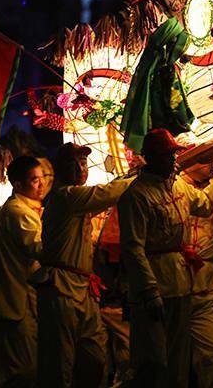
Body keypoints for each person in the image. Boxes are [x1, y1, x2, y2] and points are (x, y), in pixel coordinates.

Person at [118, 129, 213, 388]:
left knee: (179, 359)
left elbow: (206, 203)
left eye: (173, 154)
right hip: (155, 286)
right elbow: (133, 249)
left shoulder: (177, 186)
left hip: (181, 284)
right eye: (167, 155)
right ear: (151, 158)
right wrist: (149, 290)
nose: (173, 160)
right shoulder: (136, 195)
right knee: (154, 362)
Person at [33, 143, 133, 388]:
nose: (81, 168)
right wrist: (140, 176)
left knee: (94, 356)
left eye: (84, 162)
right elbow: (108, 193)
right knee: (60, 362)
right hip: (62, 287)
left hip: (82, 287)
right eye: (74, 163)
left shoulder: (74, 197)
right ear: (59, 169)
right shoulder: (65, 196)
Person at [0, 156, 46, 387]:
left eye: (42, 178)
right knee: (24, 368)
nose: (41, 185)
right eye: (34, 180)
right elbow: (39, 249)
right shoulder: (18, 212)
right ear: (18, 185)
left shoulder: (25, 210)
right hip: (16, 301)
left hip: (20, 299)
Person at [173, 154, 213, 388]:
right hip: (175, 284)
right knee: (175, 360)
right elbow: (203, 203)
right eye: (206, 157)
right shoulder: (174, 185)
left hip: (207, 285)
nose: (211, 163)